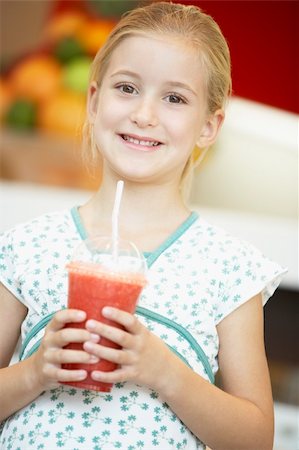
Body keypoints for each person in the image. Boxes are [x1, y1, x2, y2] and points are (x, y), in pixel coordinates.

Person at [0, 2, 286, 449]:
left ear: (209, 126)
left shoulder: (229, 268)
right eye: (127, 88)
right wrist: (34, 371)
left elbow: (256, 439)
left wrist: (163, 371)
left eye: (174, 98)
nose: (144, 115)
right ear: (94, 102)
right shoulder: (28, 246)